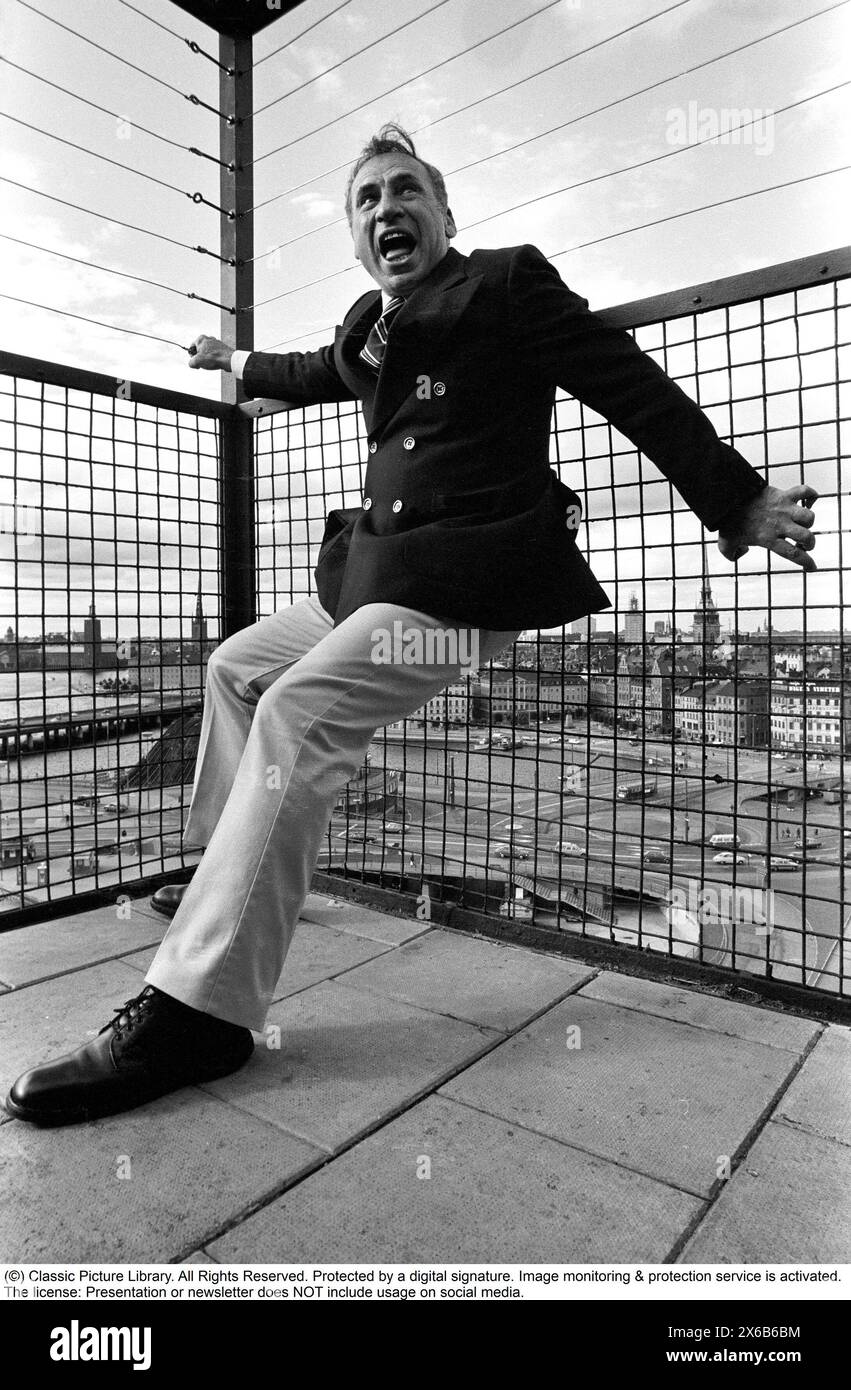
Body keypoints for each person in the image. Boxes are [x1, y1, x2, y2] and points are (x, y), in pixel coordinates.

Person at [5, 124, 817, 1126]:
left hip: (463, 584)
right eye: (366, 201)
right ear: (354, 239)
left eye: (405, 192)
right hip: (373, 576)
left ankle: (200, 1012)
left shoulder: (504, 286)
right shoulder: (363, 328)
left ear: (443, 215)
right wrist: (235, 360)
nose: (386, 209)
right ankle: (223, 873)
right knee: (234, 668)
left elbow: (625, 383)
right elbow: (306, 368)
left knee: (298, 713)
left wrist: (731, 499)